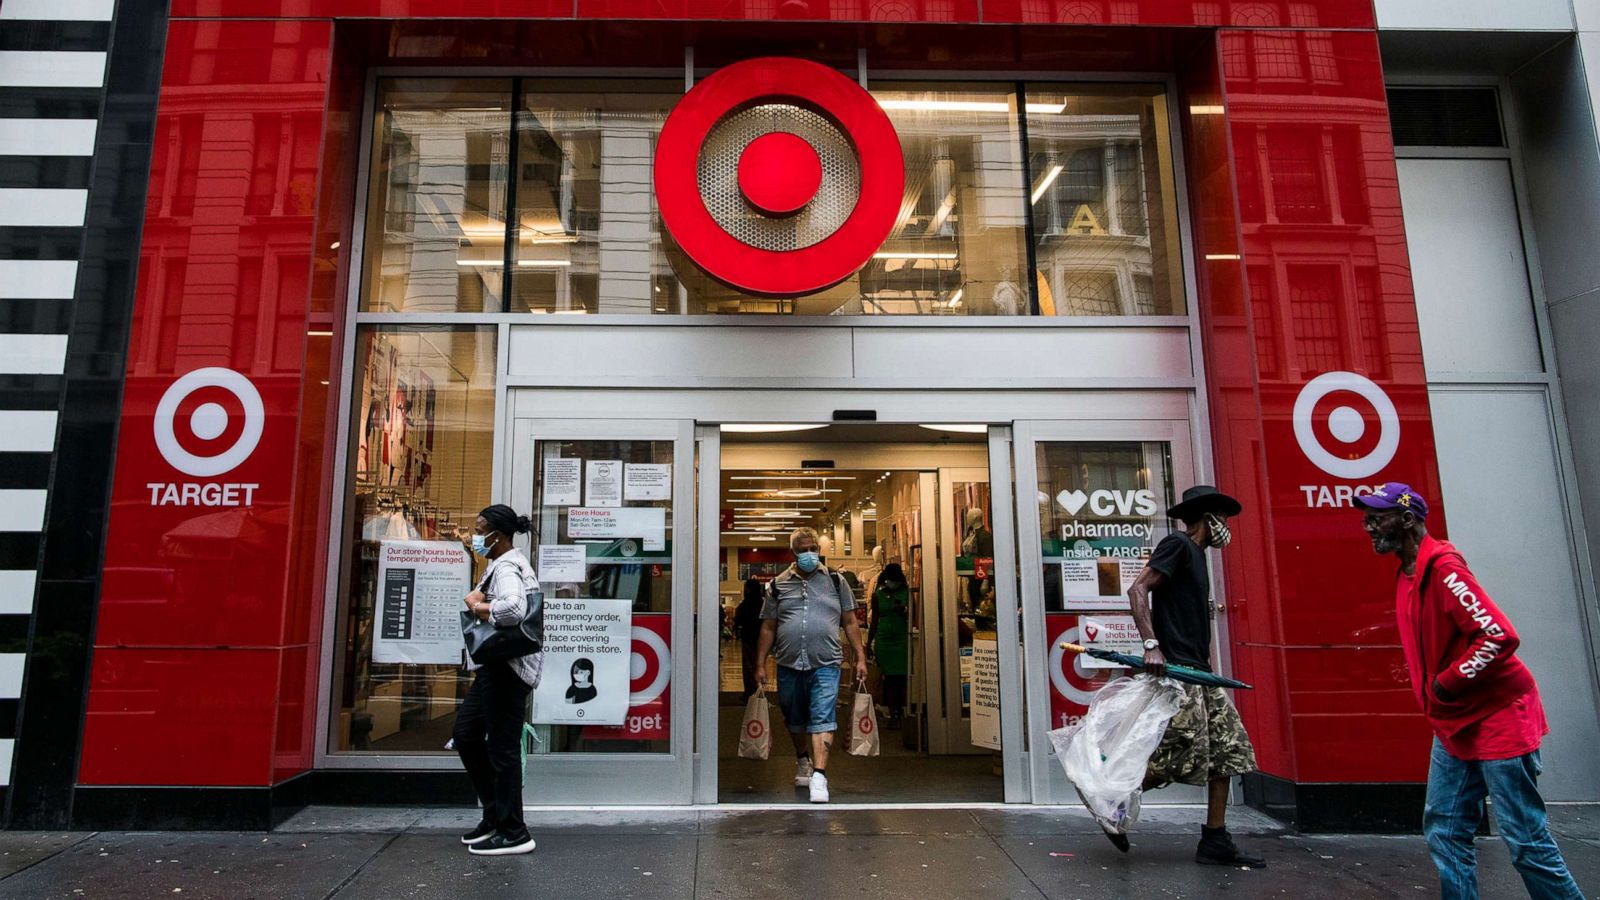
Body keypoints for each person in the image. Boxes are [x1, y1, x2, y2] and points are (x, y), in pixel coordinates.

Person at [1356, 482, 1583, 900]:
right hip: (1454, 723)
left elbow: (1497, 636)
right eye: (1367, 517)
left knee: (1526, 841)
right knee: (1444, 830)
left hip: (1498, 716)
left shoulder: (1442, 568)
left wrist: (1446, 682)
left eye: (1377, 516)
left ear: (1408, 519)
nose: (1368, 525)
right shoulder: (1408, 573)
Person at [1124, 485, 1266, 868]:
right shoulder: (1178, 545)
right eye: (1223, 518)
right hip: (1180, 673)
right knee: (1178, 755)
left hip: (1200, 672)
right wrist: (1151, 644)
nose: (1227, 527)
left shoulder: (1198, 556)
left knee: (1228, 752)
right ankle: (1115, 796)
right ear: (1210, 518)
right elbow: (1137, 589)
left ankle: (1215, 839)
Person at [756, 526, 869, 804]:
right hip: (789, 662)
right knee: (793, 717)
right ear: (793, 552)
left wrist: (861, 658)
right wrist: (759, 663)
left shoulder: (835, 581)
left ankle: (819, 775)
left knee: (822, 714)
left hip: (826, 662)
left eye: (813, 549)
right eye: (803, 549)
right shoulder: (778, 584)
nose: (809, 554)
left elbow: (851, 621)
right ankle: (803, 759)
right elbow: (769, 627)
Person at [454, 503, 542, 856]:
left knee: (503, 749)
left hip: (507, 670)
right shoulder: (498, 565)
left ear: (498, 534)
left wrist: (476, 605)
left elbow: (513, 609)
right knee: (466, 734)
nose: (475, 536)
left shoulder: (507, 566)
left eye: (480, 529)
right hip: (495, 668)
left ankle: (514, 831)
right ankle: (494, 815)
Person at [867, 563, 910, 723]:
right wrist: (869, 643)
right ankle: (893, 713)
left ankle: (900, 710)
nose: (893, 583)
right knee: (889, 678)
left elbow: (914, 615)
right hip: (883, 639)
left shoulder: (907, 593)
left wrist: (905, 611)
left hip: (901, 638)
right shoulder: (877, 595)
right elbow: (875, 620)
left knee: (901, 677)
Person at [734, 578, 765, 703]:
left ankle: (749, 692)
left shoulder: (745, 604)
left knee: (748, 666)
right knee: (760, 664)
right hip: (762, 639)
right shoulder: (763, 603)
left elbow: (738, 620)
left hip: (748, 639)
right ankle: (760, 690)